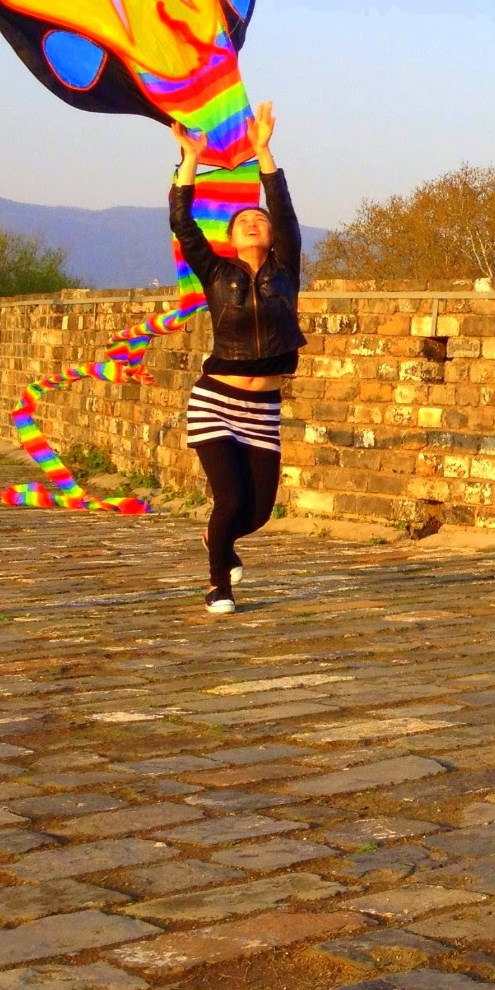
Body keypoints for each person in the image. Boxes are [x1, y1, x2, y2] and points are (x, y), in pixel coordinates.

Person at [170, 103, 304, 614]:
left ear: (271, 238)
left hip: (263, 409)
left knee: (258, 511)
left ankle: (217, 540)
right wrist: (191, 161)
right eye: (243, 220)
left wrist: (263, 151)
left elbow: (284, 211)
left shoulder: (286, 271)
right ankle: (218, 585)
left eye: (258, 220)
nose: (252, 222)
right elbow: (183, 223)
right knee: (228, 499)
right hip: (215, 401)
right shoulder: (216, 274)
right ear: (229, 238)